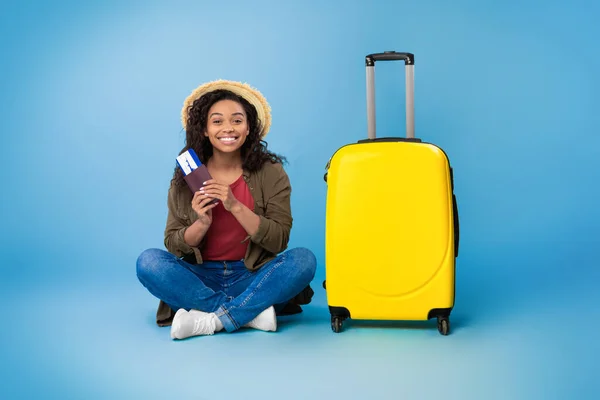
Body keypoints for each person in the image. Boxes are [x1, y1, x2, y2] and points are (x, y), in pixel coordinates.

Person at [136, 80, 317, 340]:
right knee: (148, 262)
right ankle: (248, 313)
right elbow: (173, 245)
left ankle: (210, 320)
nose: (228, 128)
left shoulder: (270, 171)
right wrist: (201, 224)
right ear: (205, 130)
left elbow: (279, 240)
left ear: (249, 128)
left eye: (237, 120)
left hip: (253, 276)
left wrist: (234, 206)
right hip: (200, 279)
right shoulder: (186, 176)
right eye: (217, 121)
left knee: (303, 260)